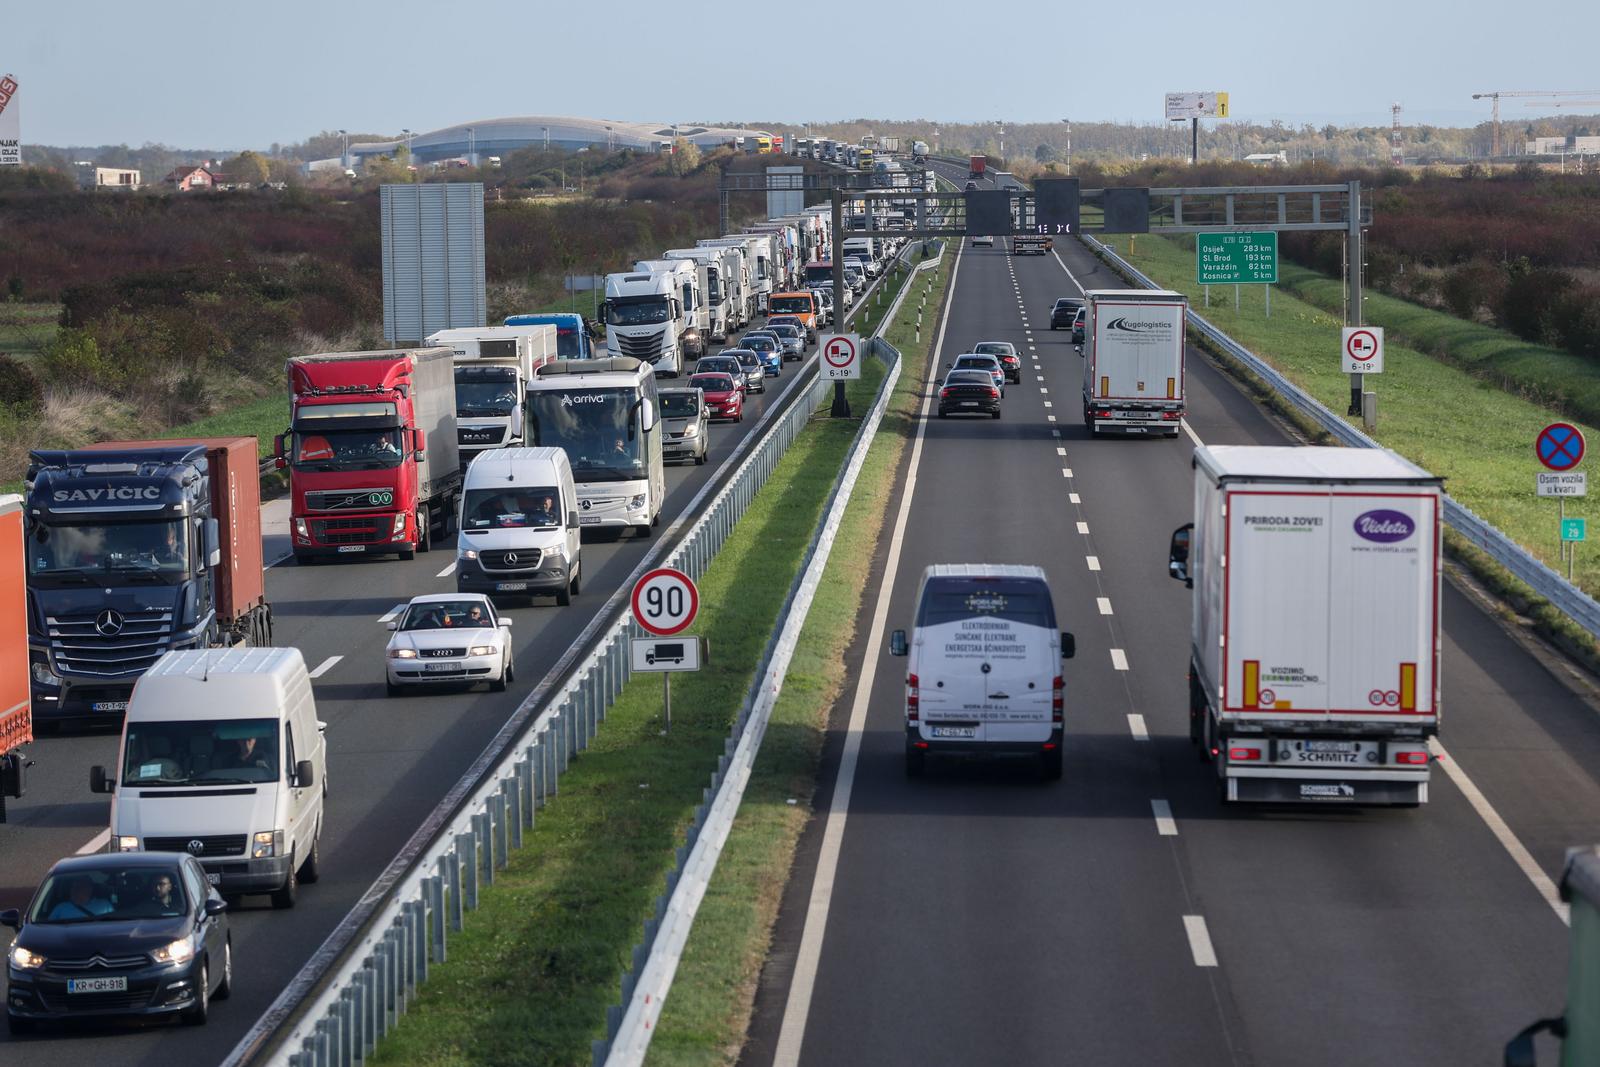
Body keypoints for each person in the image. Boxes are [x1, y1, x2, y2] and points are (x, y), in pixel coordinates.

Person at [47, 876, 113, 920]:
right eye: (73, 887)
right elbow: (48, 929)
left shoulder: (105, 905)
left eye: (79, 887)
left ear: (89, 889)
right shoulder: (61, 908)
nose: (74, 889)